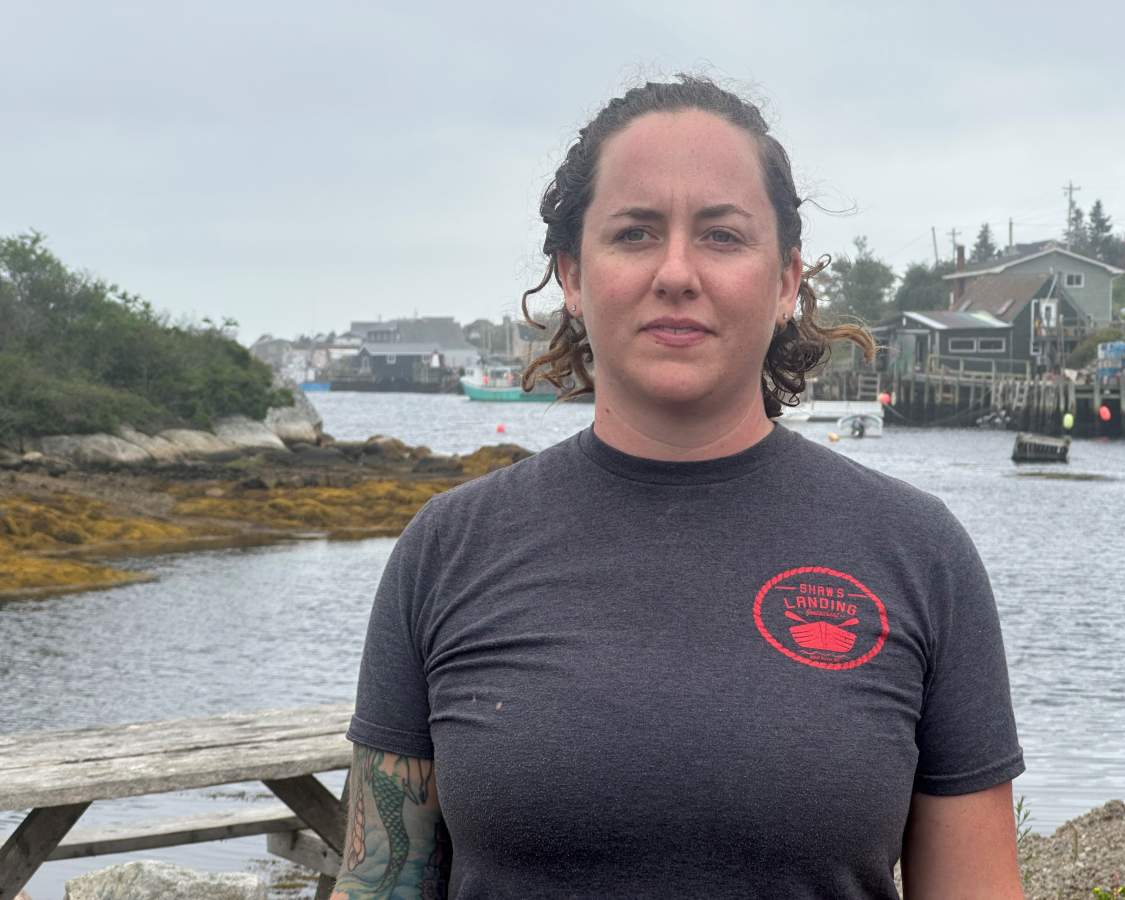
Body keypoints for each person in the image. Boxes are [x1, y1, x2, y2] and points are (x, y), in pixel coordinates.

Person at [333, 75, 1024, 899]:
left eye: (722, 236)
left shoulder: (918, 553)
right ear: (574, 277)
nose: (676, 272)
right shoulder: (446, 550)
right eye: (633, 233)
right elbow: (379, 883)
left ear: (785, 281)